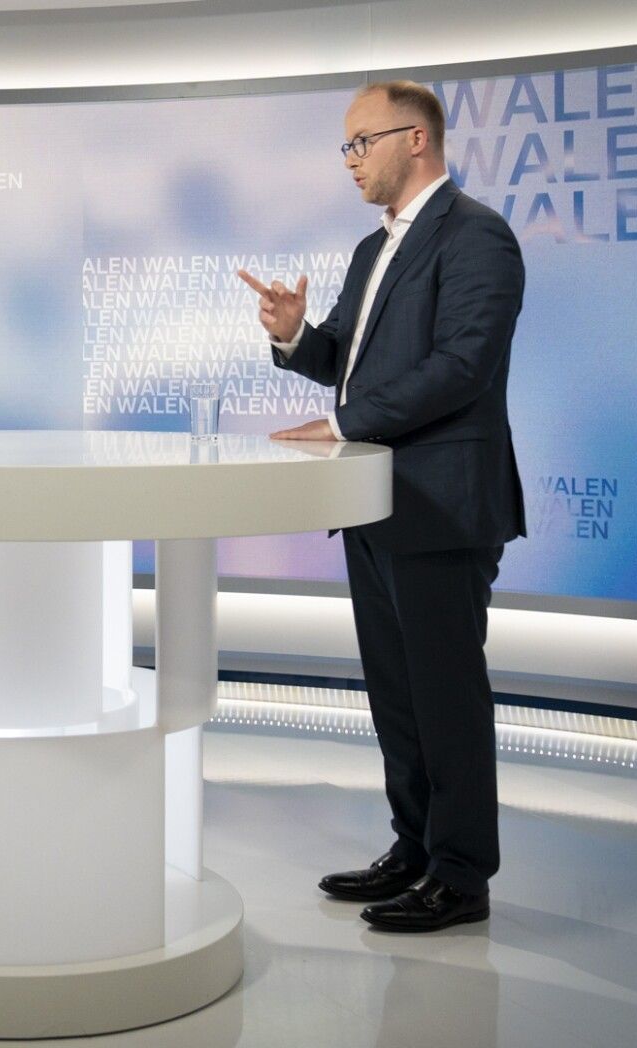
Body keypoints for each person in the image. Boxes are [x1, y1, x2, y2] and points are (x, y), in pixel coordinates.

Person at [239, 80, 526, 933]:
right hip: (374, 504)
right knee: (398, 695)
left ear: (417, 140)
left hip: (441, 504)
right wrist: (295, 335)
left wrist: (340, 425)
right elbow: (348, 361)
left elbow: (462, 366)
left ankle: (460, 875)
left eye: (362, 142)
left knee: (446, 696)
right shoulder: (376, 249)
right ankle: (414, 847)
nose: (351, 160)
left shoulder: (476, 235)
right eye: (347, 146)